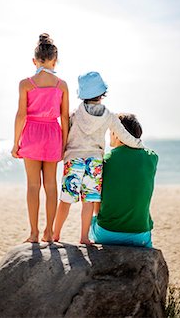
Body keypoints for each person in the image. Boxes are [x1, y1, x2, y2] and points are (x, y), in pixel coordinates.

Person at [53, 72, 144, 244]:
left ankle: (55, 234)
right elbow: (124, 135)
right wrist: (139, 144)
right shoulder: (109, 116)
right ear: (102, 93)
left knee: (66, 199)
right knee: (89, 201)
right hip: (94, 162)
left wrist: (60, 152)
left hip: (74, 159)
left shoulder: (74, 114)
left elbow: (64, 133)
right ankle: (84, 237)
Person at [11, 33, 69, 243]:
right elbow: (64, 117)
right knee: (51, 186)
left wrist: (16, 142)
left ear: (34, 61)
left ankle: (34, 233)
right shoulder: (61, 85)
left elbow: (21, 115)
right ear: (55, 60)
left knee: (33, 186)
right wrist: (64, 145)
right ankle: (49, 233)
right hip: (53, 134)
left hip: (32, 135)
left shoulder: (25, 84)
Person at [89, 113, 158, 248]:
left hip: (107, 233)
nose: (109, 134)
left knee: (93, 218)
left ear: (117, 133)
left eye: (111, 130)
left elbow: (96, 199)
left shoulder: (105, 160)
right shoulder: (152, 158)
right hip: (140, 235)